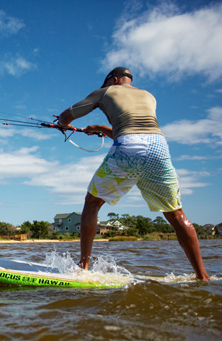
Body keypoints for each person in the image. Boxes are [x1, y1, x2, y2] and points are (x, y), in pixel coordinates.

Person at [57, 67, 210, 281]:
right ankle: (202, 276)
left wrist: (62, 125)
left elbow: (66, 116)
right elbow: (137, 131)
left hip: (129, 145)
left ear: (115, 79)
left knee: (92, 203)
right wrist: (101, 128)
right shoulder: (149, 96)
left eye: (107, 83)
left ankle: (82, 268)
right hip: (159, 146)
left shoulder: (105, 92)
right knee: (176, 214)